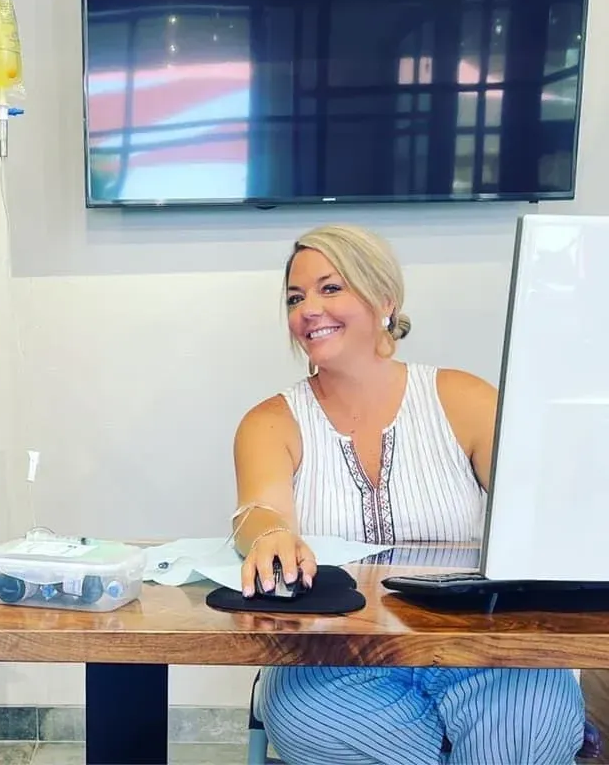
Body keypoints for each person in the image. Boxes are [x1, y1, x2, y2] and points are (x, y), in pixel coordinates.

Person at [232, 224, 585, 765]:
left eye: (331, 288)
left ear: (384, 300)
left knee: (534, 712)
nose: (308, 310)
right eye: (296, 297)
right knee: (317, 721)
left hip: (481, 651)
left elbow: (536, 505)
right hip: (332, 659)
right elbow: (258, 512)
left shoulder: (463, 398)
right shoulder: (270, 421)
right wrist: (272, 534)